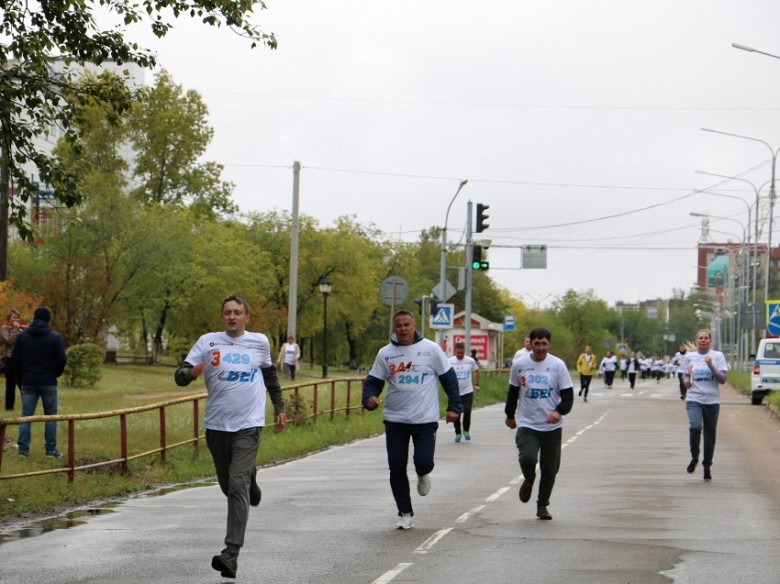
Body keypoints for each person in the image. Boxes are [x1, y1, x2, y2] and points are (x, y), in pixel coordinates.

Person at [174, 295, 287, 579]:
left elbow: (270, 376)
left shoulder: (259, 342)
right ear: (222, 317)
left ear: (246, 317)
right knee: (229, 486)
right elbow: (180, 374)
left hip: (248, 425)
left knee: (236, 487)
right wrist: (190, 373)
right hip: (216, 426)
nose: (232, 317)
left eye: (237, 312)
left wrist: (280, 407)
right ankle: (250, 477)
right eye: (228, 313)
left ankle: (231, 553)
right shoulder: (208, 342)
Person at [362, 310, 461, 530]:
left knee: (423, 461)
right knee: (396, 467)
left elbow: (449, 378)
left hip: (424, 419)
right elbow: (373, 382)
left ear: (414, 325)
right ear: (394, 328)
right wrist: (369, 398)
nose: (403, 329)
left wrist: (454, 406)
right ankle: (405, 512)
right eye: (399, 325)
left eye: (407, 324)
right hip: (395, 419)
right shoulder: (385, 354)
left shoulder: (431, 349)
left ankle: (423, 473)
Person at [505, 327, 574, 521]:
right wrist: (510, 415)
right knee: (527, 458)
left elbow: (568, 397)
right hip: (528, 423)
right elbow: (513, 392)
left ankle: (542, 505)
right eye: (537, 343)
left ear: (549, 344)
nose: (540, 347)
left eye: (544, 343)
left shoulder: (558, 365)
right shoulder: (520, 364)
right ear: (530, 344)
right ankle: (528, 479)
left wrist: (558, 412)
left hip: (552, 427)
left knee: (550, 469)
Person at [12, 307, 67, 458]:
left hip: (28, 381)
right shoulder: (54, 337)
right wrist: (55, 373)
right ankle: (50, 450)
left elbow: (15, 360)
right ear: (47, 319)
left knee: (26, 415)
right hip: (48, 381)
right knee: (51, 415)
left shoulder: (22, 337)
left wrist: (20, 379)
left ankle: (23, 449)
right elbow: (62, 359)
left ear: (34, 318)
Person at [681, 329, 727, 482]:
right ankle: (694, 457)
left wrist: (711, 365)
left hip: (712, 401)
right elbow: (685, 375)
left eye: (705, 338)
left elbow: (722, 379)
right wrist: (686, 382)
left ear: (710, 340)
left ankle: (707, 466)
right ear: (697, 340)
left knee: (709, 435)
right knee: (695, 427)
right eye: (700, 338)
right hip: (694, 398)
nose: (703, 340)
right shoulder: (689, 357)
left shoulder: (717, 356)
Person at [449, 342, 479, 442]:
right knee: (456, 413)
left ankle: (466, 431)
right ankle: (458, 433)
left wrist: (476, 384)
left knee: (467, 411)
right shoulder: (450, 361)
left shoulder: (470, 361)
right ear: (455, 351)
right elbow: (446, 374)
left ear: (464, 352)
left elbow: (476, 371)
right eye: (458, 353)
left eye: (462, 353)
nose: (460, 355)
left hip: (467, 391)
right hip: (455, 392)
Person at [1, 309, 22, 411]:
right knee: (10, 384)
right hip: (9, 358)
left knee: (22, 382)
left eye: (18, 317)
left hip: (19, 359)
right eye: (14, 317)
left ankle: (27, 404)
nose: (16, 319)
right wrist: (14, 330)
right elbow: (9, 341)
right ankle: (9, 407)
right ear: (9, 319)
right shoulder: (4, 329)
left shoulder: (20, 330)